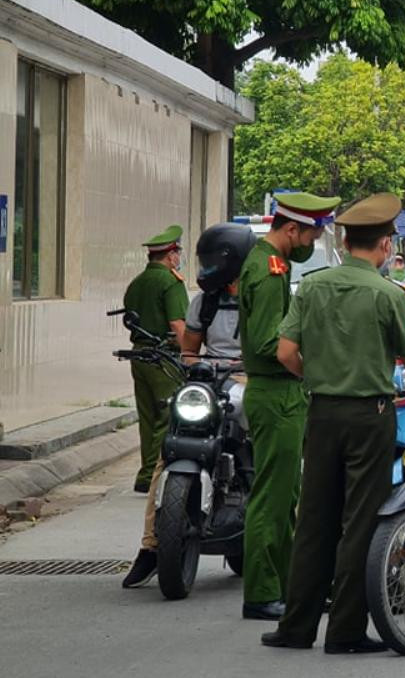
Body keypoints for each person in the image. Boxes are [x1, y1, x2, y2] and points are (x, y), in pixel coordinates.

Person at [262, 193, 405, 654]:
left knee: (314, 521)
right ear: (384, 246)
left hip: (320, 412)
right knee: (359, 522)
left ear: (343, 239)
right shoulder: (388, 294)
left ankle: (295, 628)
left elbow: (285, 353)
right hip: (371, 416)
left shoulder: (315, 286)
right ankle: (344, 631)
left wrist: (319, 379)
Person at [122, 222, 254, 588]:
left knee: (270, 450)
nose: (208, 267)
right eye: (205, 260)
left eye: (216, 261)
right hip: (209, 383)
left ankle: (278, 539)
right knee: (168, 451)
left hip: (250, 381)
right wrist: (193, 365)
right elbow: (189, 348)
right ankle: (150, 547)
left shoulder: (261, 296)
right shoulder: (204, 301)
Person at [238, 191, 341, 621]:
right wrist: (309, 364)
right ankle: (261, 592)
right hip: (276, 392)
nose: (313, 243)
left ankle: (283, 586)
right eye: (313, 233)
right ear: (291, 228)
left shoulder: (271, 264)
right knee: (272, 497)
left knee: (287, 495)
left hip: (281, 394)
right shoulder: (268, 269)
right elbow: (269, 345)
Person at [123, 224, 189, 492]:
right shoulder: (170, 282)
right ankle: (153, 474)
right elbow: (178, 324)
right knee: (168, 413)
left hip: (139, 356)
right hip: (163, 359)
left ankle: (144, 474)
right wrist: (191, 357)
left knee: (148, 416)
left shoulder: (137, 283)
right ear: (171, 255)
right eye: (178, 253)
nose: (179, 258)